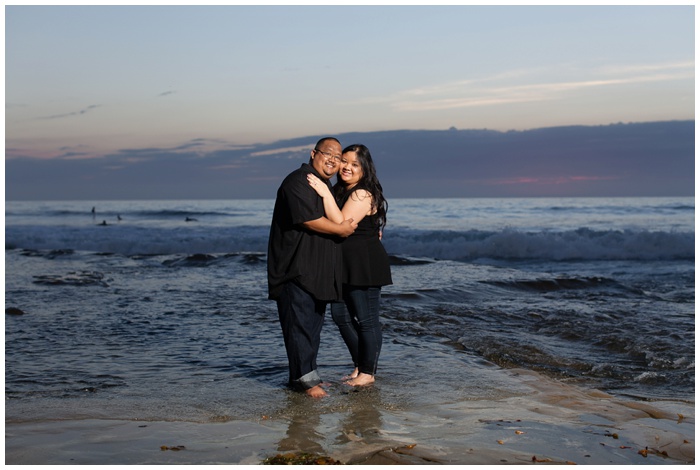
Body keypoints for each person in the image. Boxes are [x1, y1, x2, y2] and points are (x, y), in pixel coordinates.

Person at [267, 137, 358, 398]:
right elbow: (310, 221)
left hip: (314, 271)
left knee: (311, 327)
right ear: (313, 154)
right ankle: (305, 382)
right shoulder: (298, 181)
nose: (333, 159)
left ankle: (307, 376)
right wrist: (341, 229)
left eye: (338, 157)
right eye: (327, 153)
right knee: (299, 327)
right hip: (295, 269)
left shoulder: (322, 185)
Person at [307, 144, 392, 387]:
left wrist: (323, 193)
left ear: (364, 169)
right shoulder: (342, 190)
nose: (347, 167)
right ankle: (360, 364)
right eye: (344, 161)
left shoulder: (362, 193)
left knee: (366, 319)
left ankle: (368, 373)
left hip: (364, 263)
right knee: (341, 315)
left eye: (355, 164)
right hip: (344, 263)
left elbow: (341, 223)